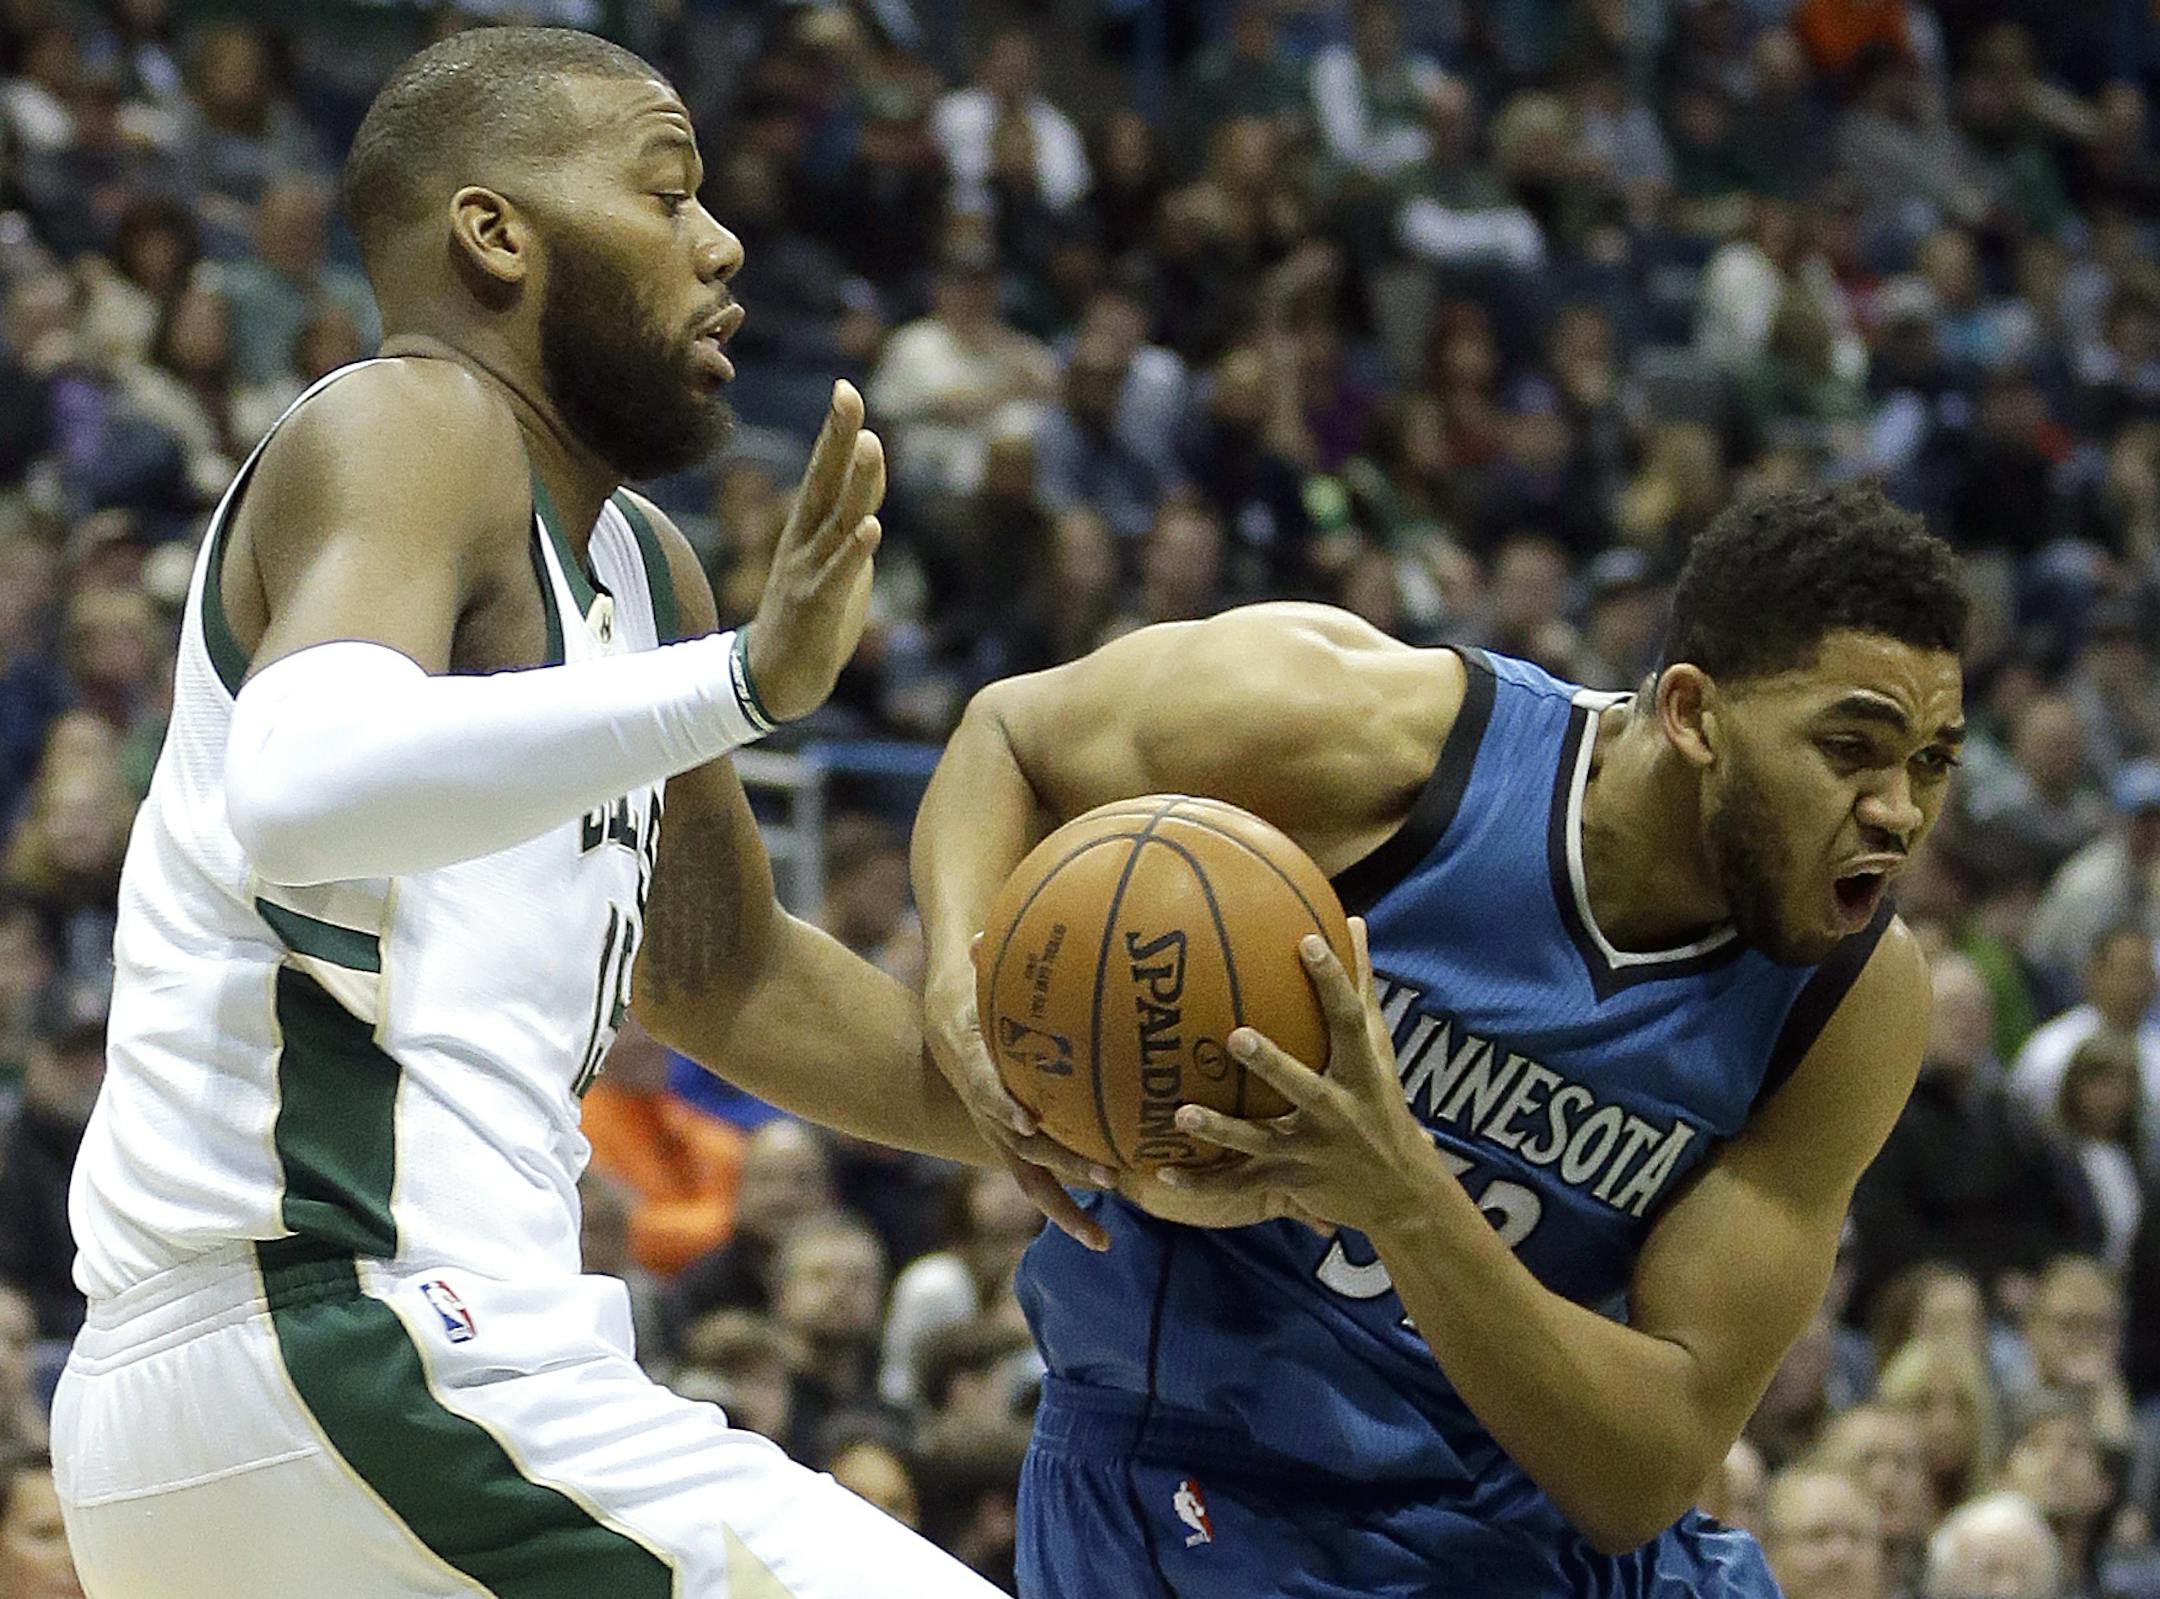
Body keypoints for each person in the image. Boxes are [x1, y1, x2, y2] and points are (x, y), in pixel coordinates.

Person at [50, 27, 1015, 1599]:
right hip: (342, 1332)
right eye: (667, 193)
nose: (723, 243)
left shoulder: (646, 567)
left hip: (290, 1413)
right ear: (495, 233)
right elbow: (297, 790)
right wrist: (747, 683)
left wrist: (1082, 1120)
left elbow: (727, 974)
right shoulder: (409, 423)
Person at [914, 482, 1970, 1594]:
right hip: (1210, 1478)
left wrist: (1402, 1190)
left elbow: (1643, 1472)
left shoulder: (1850, 1001)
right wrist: (955, 978)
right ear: (1695, 713)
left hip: (1532, 1515)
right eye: (1851, 747)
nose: (1898, 809)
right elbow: (1014, 737)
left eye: (1933, 763)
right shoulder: (1371, 735)